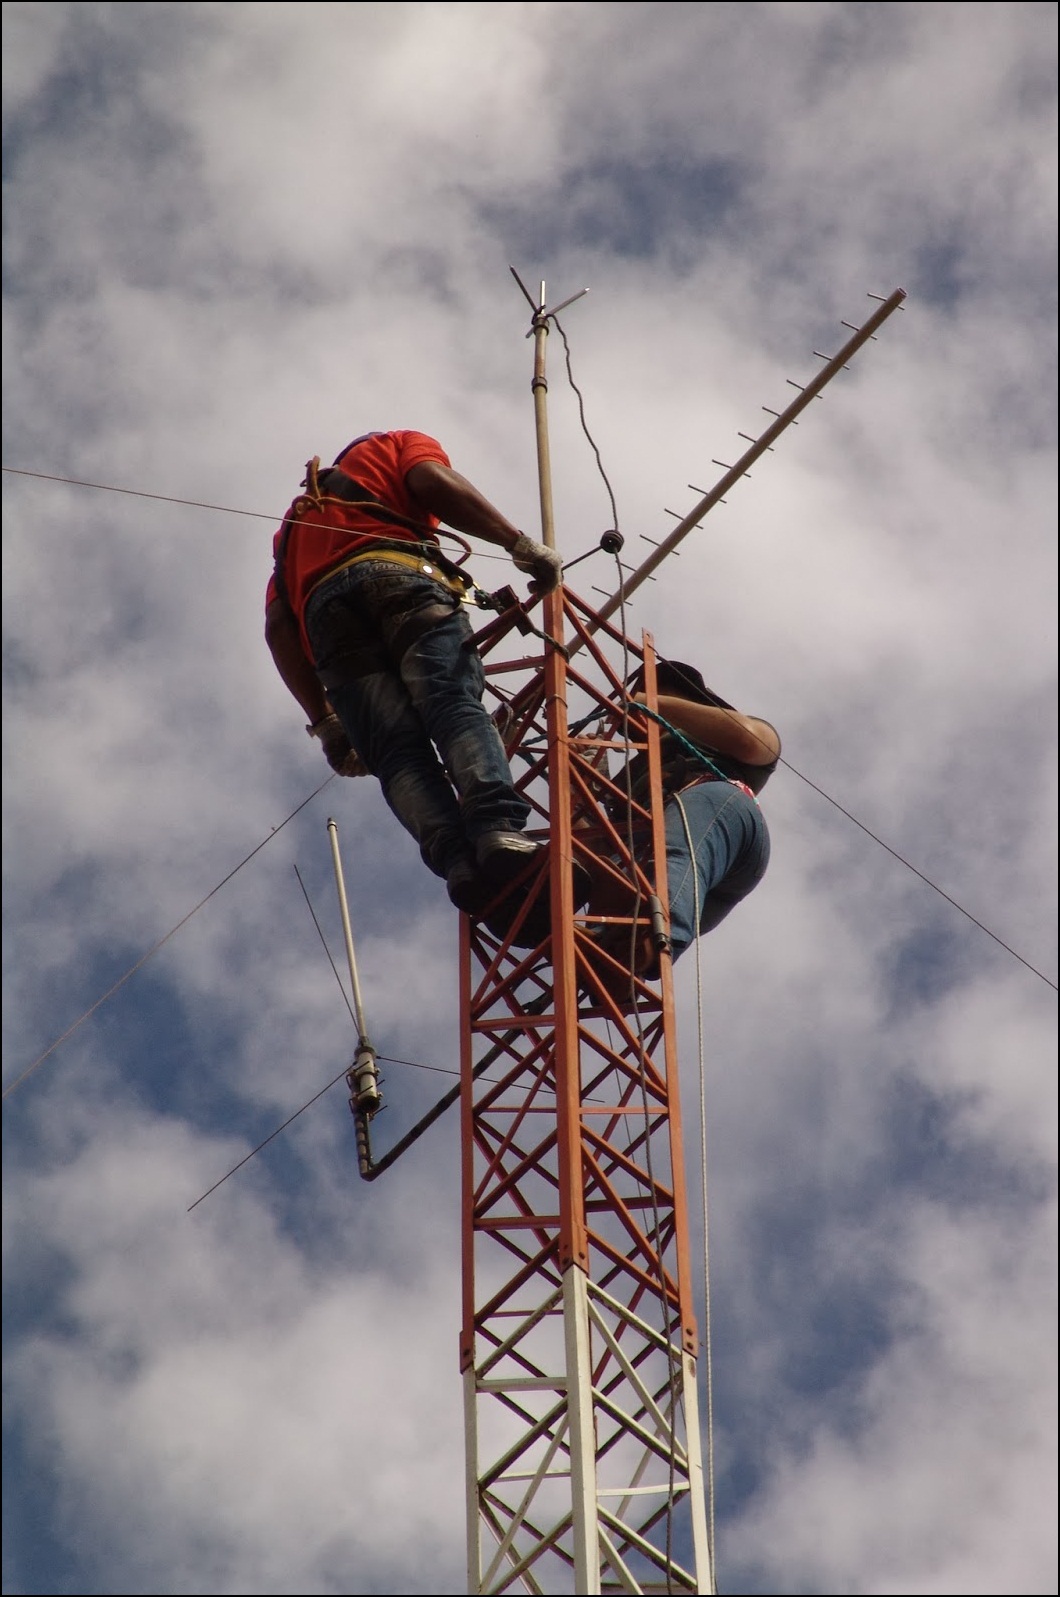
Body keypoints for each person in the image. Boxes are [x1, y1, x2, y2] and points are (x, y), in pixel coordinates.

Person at [264, 428, 564, 913]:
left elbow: (279, 625)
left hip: (327, 626)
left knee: (397, 754)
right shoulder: (395, 442)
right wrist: (518, 543)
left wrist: (326, 724)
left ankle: (458, 863)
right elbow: (431, 481)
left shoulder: (292, 528)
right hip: (399, 577)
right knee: (450, 704)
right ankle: (497, 832)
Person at [590, 659, 780, 983]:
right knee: (613, 875)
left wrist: (652, 704)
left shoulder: (727, 730)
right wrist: (577, 792)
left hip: (721, 818)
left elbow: (752, 741)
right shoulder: (631, 779)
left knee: (675, 847)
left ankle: (651, 936)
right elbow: (594, 850)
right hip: (684, 878)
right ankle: (616, 958)